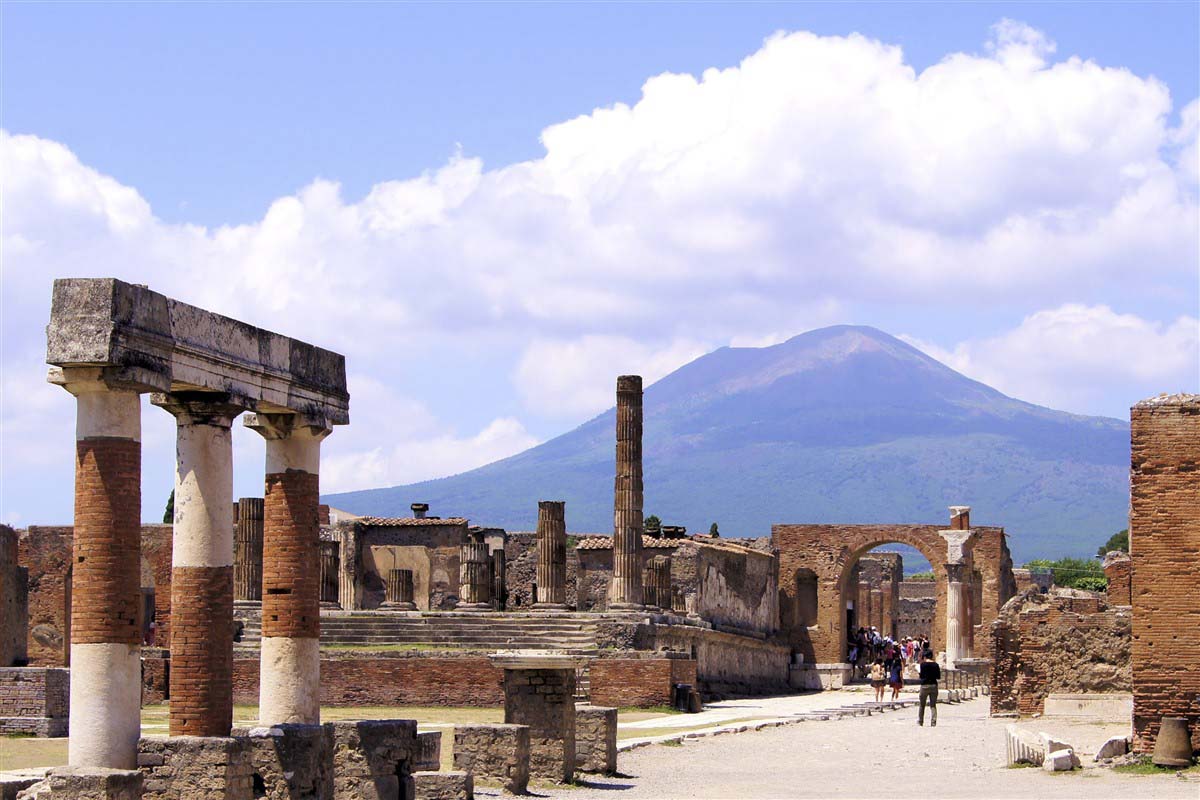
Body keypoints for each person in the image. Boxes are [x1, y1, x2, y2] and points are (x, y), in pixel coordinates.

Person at [917, 650, 940, 726]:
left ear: (925, 656)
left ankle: (920, 721)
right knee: (933, 705)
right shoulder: (936, 665)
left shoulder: (922, 665)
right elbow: (938, 677)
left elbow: (921, 676)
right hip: (933, 685)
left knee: (922, 705)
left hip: (924, 685)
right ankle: (933, 722)